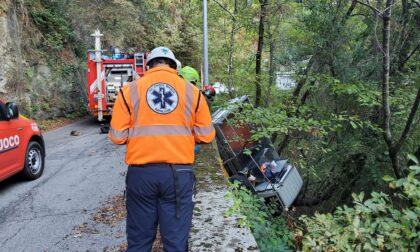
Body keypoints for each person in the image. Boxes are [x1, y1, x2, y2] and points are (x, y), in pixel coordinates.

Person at [108, 46, 215, 252]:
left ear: (148, 65)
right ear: (175, 66)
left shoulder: (128, 91)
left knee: (139, 242)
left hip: (141, 175)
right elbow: (206, 135)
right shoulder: (193, 93)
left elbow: (117, 136)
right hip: (178, 174)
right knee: (175, 243)